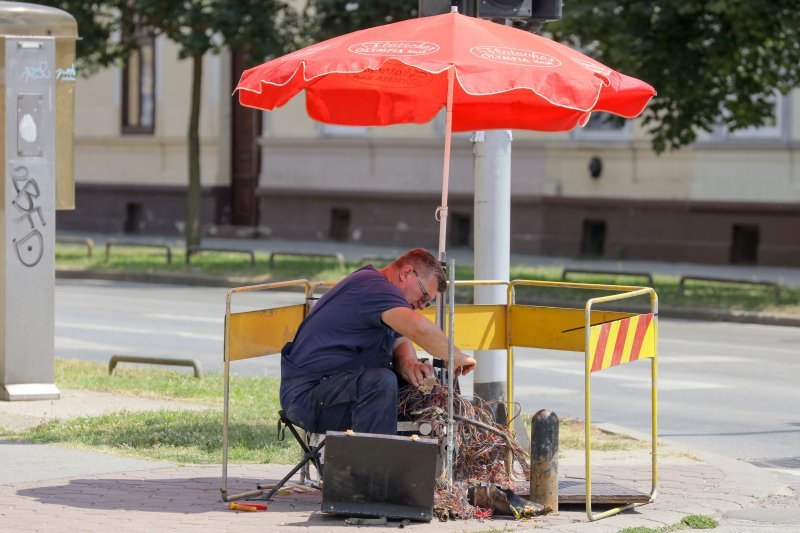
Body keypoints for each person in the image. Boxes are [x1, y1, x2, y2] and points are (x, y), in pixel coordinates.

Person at [279, 248, 477, 435]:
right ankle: (374, 469)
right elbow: (417, 328)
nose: (423, 305)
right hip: (306, 397)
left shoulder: (379, 293)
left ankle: (423, 464)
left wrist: (409, 364)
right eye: (424, 295)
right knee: (381, 382)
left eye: (428, 302)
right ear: (406, 273)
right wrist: (458, 357)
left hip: (333, 389)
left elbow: (398, 339)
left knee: (432, 382)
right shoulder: (374, 288)